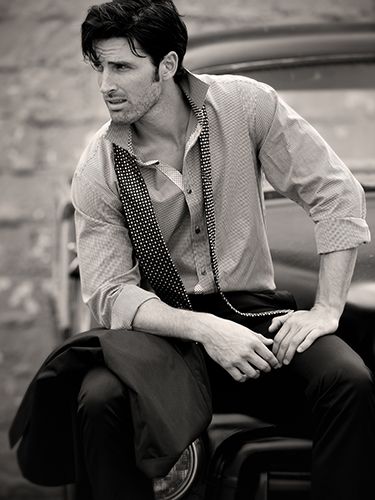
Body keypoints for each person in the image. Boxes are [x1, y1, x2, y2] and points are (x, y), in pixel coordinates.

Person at [10, 0, 375, 499]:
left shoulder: (246, 105)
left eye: (121, 67)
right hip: (163, 333)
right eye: (100, 66)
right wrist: (206, 330)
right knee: (98, 400)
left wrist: (328, 308)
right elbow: (111, 293)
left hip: (252, 321)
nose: (105, 85)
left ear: (167, 66)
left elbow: (337, 193)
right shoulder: (99, 166)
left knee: (349, 382)